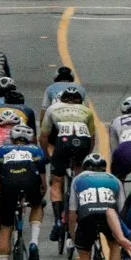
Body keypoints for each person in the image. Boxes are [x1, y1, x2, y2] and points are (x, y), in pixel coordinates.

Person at [0, 125, 49, 260]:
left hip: (8, 186)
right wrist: (39, 198)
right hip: (30, 183)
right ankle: (33, 242)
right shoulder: (36, 150)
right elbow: (43, 183)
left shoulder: (2, 150)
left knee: (6, 227)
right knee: (38, 206)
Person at [69, 152, 126, 260]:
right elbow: (122, 210)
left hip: (87, 217)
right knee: (114, 247)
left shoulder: (78, 179)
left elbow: (73, 212)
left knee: (85, 256)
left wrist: (73, 235)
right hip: (109, 216)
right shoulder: (113, 179)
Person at [42, 85, 100, 225]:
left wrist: (47, 156)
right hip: (83, 142)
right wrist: (86, 157)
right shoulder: (87, 111)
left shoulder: (53, 108)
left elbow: (44, 136)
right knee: (80, 175)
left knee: (56, 182)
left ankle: (57, 220)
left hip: (63, 141)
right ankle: (80, 204)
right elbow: (92, 138)